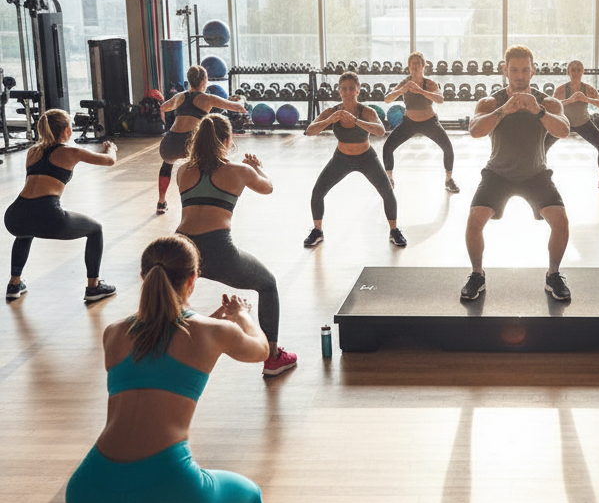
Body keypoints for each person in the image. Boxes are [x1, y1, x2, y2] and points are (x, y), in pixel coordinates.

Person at [51, 235, 295, 503]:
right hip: (173, 495)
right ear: (193, 280)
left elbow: (163, 340)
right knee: (251, 500)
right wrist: (242, 315)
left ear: (145, 278)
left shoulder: (114, 334)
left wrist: (211, 321)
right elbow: (261, 350)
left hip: (91, 493)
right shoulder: (211, 332)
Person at [176, 114, 296, 377]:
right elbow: (268, 188)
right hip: (217, 249)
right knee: (267, 284)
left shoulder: (183, 170)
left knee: (172, 298)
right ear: (228, 140)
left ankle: (166, 347)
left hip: (181, 247)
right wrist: (257, 166)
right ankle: (273, 358)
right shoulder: (239, 171)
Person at [461, 44, 571, 301]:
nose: (519, 75)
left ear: (533, 71)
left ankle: (553, 275)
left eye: (524, 70)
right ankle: (477, 274)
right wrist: (504, 110)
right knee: (475, 220)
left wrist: (538, 110)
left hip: (536, 173)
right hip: (497, 174)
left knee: (561, 221)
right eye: (513, 70)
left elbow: (564, 130)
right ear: (504, 71)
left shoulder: (547, 102)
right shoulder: (491, 101)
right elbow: (475, 130)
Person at [5, 108, 117, 303]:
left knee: (26, 230)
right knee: (96, 230)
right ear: (65, 130)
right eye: (70, 126)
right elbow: (109, 161)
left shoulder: (33, 151)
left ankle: (14, 284)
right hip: (48, 215)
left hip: (15, 215)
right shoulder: (70, 151)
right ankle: (93, 287)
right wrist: (112, 149)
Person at [303, 71, 405, 249]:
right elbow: (309, 131)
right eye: (343, 89)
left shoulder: (366, 111)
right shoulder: (332, 111)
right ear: (339, 91)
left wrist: (356, 121)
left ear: (358, 90)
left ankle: (394, 230)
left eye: (351, 88)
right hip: (341, 159)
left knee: (387, 192)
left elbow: (380, 131)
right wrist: (330, 120)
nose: (347, 92)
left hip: (366, 158)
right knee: (317, 191)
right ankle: (317, 231)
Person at [157, 65, 247, 215]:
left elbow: (164, 107)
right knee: (205, 163)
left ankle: (161, 202)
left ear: (189, 80)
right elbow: (238, 108)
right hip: (188, 143)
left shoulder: (179, 96)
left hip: (169, 143)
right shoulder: (207, 98)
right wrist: (242, 99)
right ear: (205, 80)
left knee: (167, 165)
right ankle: (201, 201)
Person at [382, 51, 459, 193]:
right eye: (412, 64)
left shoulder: (429, 83)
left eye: (418, 63)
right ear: (409, 67)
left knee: (448, 148)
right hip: (409, 123)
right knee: (387, 147)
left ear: (423, 66)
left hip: (429, 122)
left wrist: (421, 91)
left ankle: (449, 180)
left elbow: (440, 99)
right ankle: (389, 179)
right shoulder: (405, 82)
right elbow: (387, 99)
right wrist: (402, 90)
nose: (415, 66)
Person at [545, 59, 599, 192]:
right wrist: (570, 100)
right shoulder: (561, 89)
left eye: (578, 70)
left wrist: (586, 99)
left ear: (582, 72)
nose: (576, 72)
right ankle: (542, 176)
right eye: (573, 70)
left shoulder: (587, 89)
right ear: (568, 72)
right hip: (564, 122)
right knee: (542, 146)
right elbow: (550, 107)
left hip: (583, 123)